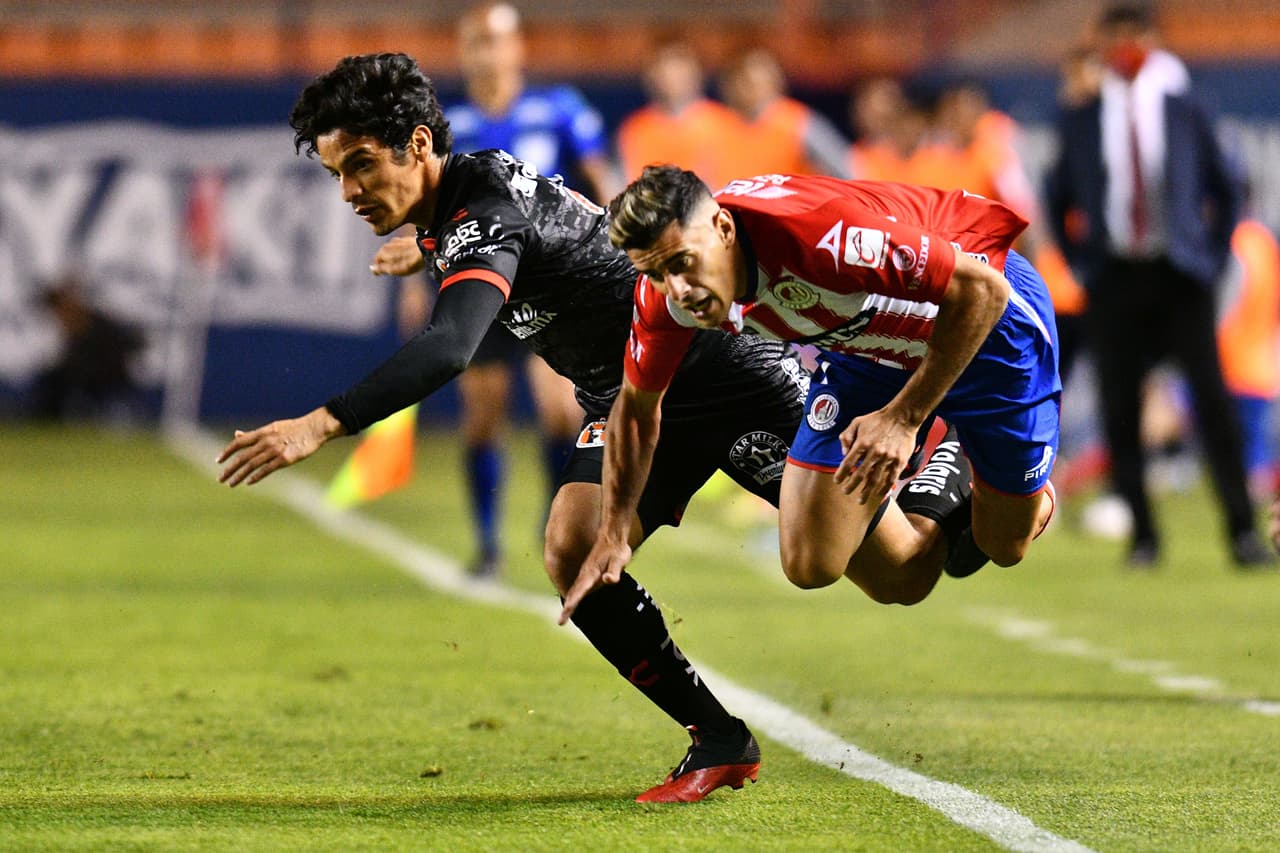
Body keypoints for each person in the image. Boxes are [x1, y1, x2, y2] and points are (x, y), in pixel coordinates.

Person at [213, 53, 970, 804]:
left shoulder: (481, 214)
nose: (348, 190)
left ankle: (946, 461)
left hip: (728, 377)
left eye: (361, 165)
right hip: (630, 400)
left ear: (418, 144)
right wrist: (428, 244)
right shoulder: (459, 203)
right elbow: (528, 234)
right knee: (573, 544)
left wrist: (318, 424)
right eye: (336, 173)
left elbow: (450, 345)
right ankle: (719, 739)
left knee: (898, 573)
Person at [559, 164, 1061, 619]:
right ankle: (956, 462)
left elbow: (981, 291)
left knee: (1003, 544)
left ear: (724, 229)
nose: (679, 289)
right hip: (868, 348)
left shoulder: (819, 235)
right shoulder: (667, 298)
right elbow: (636, 409)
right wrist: (612, 534)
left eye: (684, 263)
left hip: (988, 331)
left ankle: (973, 456)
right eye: (656, 272)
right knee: (812, 562)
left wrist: (903, 419)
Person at [1046, 4, 1273, 568]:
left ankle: (1241, 532)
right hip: (1116, 276)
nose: (1124, 48)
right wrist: (1085, 264)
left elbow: (1226, 184)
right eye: (1114, 38)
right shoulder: (1083, 114)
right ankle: (1143, 537)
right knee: (1120, 406)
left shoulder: (1182, 108)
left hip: (1179, 276)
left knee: (1213, 406)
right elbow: (1059, 195)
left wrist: (1211, 256)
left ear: (1150, 40)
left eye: (1133, 37)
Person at [402, 1, 611, 577]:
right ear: (465, 52)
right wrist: (418, 284)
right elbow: (426, 208)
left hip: (553, 286)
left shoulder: (558, 108)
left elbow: (600, 177)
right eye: (476, 42)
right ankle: (489, 544)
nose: (487, 53)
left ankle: (554, 522)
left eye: (497, 41)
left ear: (518, 48)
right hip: (479, 284)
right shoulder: (451, 126)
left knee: (560, 411)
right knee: (483, 418)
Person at [615, 40, 740, 189]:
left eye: (679, 70)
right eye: (663, 70)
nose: (671, 78)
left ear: (696, 73)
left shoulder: (725, 124)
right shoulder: (634, 129)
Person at [716, 48, 850, 179]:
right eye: (738, 81)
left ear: (774, 83)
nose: (744, 89)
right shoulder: (715, 126)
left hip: (790, 200)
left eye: (752, 83)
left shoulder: (798, 122)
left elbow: (843, 169)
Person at [30, 275, 144, 421]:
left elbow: (130, 344)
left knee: (57, 380)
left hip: (108, 376)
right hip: (85, 376)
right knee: (51, 379)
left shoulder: (94, 322)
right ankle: (47, 419)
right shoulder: (73, 325)